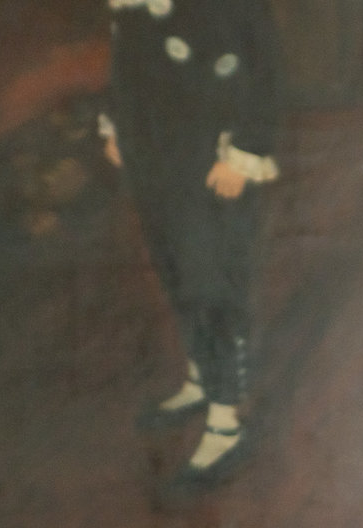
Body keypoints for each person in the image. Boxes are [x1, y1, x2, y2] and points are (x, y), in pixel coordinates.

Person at [99, 0, 283, 489]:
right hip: (155, 150)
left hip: (211, 156)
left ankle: (225, 422)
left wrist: (244, 152)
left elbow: (261, 68)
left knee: (212, 279)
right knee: (175, 268)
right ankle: (202, 379)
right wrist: (117, 122)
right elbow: (125, 58)